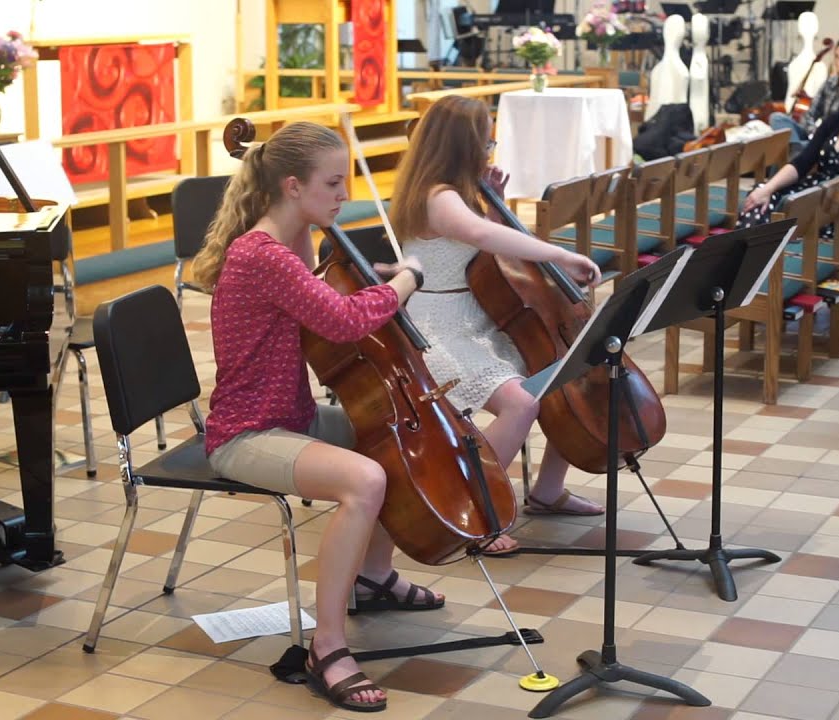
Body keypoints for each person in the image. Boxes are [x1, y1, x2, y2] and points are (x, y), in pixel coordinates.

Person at [191, 121, 434, 714]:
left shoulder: (289, 242)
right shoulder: (260, 253)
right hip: (245, 433)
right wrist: (406, 279)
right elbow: (345, 323)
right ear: (293, 186)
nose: (344, 193)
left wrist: (363, 278)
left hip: (288, 416)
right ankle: (327, 649)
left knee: (393, 439)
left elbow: (324, 301)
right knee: (366, 479)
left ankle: (374, 579)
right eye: (333, 182)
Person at [389, 95, 605, 555]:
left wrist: (497, 202)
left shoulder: (454, 190)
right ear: (463, 144)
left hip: (474, 319)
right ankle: (471, 509)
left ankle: (548, 491)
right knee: (520, 405)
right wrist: (561, 254)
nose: (490, 146)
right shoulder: (437, 195)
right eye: (486, 138)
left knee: (561, 374)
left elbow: (489, 249)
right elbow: (485, 237)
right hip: (437, 328)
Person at [739, 62, 839, 233]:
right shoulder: (836, 120)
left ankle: (757, 249)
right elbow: (803, 161)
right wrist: (768, 188)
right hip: (816, 193)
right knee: (761, 194)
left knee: (781, 211)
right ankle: (748, 252)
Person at [769, 39, 839, 152]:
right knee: (777, 118)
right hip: (815, 135)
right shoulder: (830, 83)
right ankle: (796, 149)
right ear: (836, 61)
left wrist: (820, 136)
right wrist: (813, 131)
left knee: (781, 151)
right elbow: (809, 114)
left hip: (834, 141)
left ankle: (796, 151)